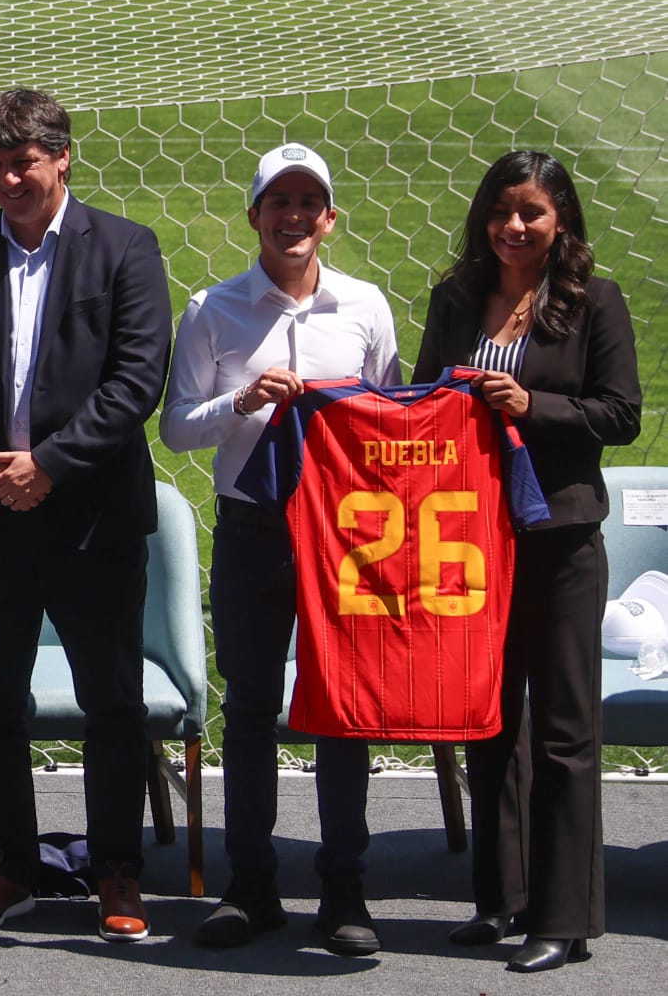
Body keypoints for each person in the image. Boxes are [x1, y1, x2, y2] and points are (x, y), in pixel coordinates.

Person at [0, 88, 172, 943]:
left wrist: (50, 467)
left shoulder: (126, 249)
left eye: (23, 162)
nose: (7, 179)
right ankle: (9, 867)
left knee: (112, 701)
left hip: (91, 516)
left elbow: (136, 382)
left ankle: (116, 870)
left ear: (62, 159)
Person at [161, 142, 400, 956]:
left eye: (309, 203)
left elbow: (389, 418)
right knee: (253, 708)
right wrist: (241, 400)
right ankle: (250, 885)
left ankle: (343, 891)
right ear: (254, 215)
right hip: (253, 531)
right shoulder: (213, 309)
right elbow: (176, 427)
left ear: (329, 218)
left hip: (344, 538)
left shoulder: (365, 306)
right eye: (278, 202)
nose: (293, 217)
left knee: (343, 710)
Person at [412, 150, 640, 973]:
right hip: (473, 534)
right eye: (502, 212)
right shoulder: (457, 298)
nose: (514, 227)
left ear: (562, 222)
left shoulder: (593, 303)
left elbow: (621, 415)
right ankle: (500, 897)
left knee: (566, 728)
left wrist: (531, 405)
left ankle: (565, 916)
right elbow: (424, 396)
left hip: (563, 540)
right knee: (489, 716)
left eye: (532, 214)